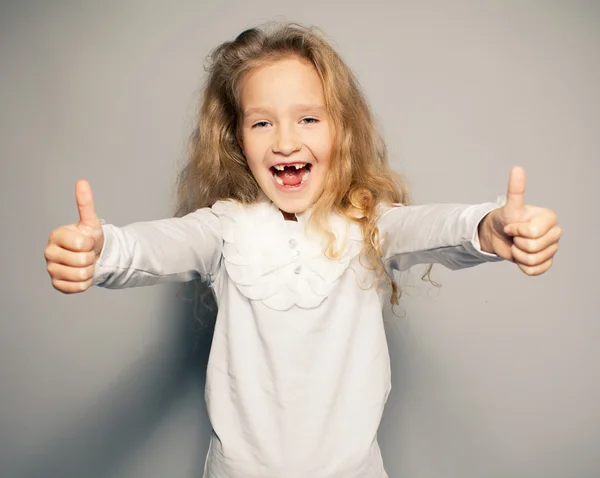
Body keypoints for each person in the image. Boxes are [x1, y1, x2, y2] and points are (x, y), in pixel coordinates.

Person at [43, 23, 561, 478]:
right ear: (237, 140)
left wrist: (489, 229)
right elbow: (158, 246)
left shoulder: (369, 225)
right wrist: (102, 250)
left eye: (308, 118)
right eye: (262, 122)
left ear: (342, 130)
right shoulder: (224, 229)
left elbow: (432, 228)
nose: (285, 141)